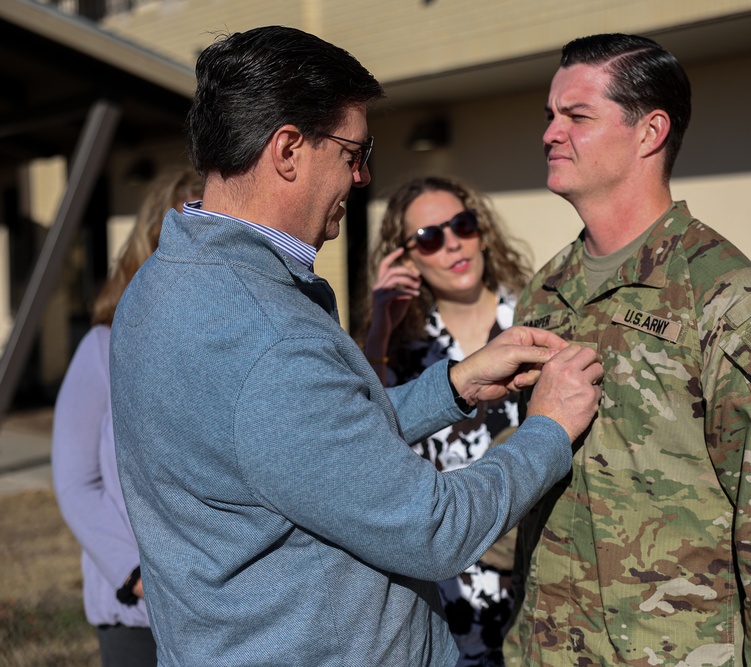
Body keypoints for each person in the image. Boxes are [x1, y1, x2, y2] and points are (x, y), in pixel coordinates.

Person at [108, 26, 603, 667]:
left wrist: (450, 389)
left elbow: (298, 453)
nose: (363, 175)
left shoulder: (163, 280)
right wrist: (549, 429)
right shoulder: (268, 336)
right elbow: (434, 528)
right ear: (288, 149)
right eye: (354, 150)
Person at [504, 34, 751, 666]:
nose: (550, 133)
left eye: (576, 116)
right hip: (548, 647)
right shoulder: (545, 292)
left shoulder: (731, 299)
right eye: (549, 115)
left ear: (648, 132)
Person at [364, 176, 535, 666]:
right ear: (406, 259)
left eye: (461, 225)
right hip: (449, 609)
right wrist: (379, 329)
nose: (453, 243)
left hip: (540, 592)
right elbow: (367, 434)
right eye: (429, 238)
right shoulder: (400, 348)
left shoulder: (533, 317)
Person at [51, 167, 202, 667]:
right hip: (138, 613)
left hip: (219, 610)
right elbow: (75, 481)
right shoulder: (102, 346)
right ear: (149, 243)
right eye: (176, 233)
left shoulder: (223, 345)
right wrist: (133, 572)